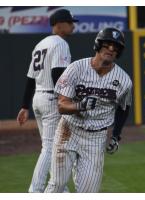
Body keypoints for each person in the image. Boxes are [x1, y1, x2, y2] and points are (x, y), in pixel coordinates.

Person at [44, 27, 133, 193]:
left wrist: (115, 136)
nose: (111, 49)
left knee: (89, 192)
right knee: (57, 184)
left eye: (116, 47)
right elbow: (62, 105)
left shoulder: (124, 80)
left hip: (96, 138)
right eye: (107, 45)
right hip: (68, 130)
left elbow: (124, 108)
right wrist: (80, 105)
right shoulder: (76, 68)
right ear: (98, 45)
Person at [16, 9, 79, 193]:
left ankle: (59, 189)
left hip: (38, 98)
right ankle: (35, 191)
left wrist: (24, 106)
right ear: (59, 24)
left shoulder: (40, 44)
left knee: (51, 145)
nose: (72, 25)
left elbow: (30, 78)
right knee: (50, 147)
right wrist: (65, 99)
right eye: (69, 22)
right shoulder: (60, 44)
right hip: (51, 98)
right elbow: (57, 74)